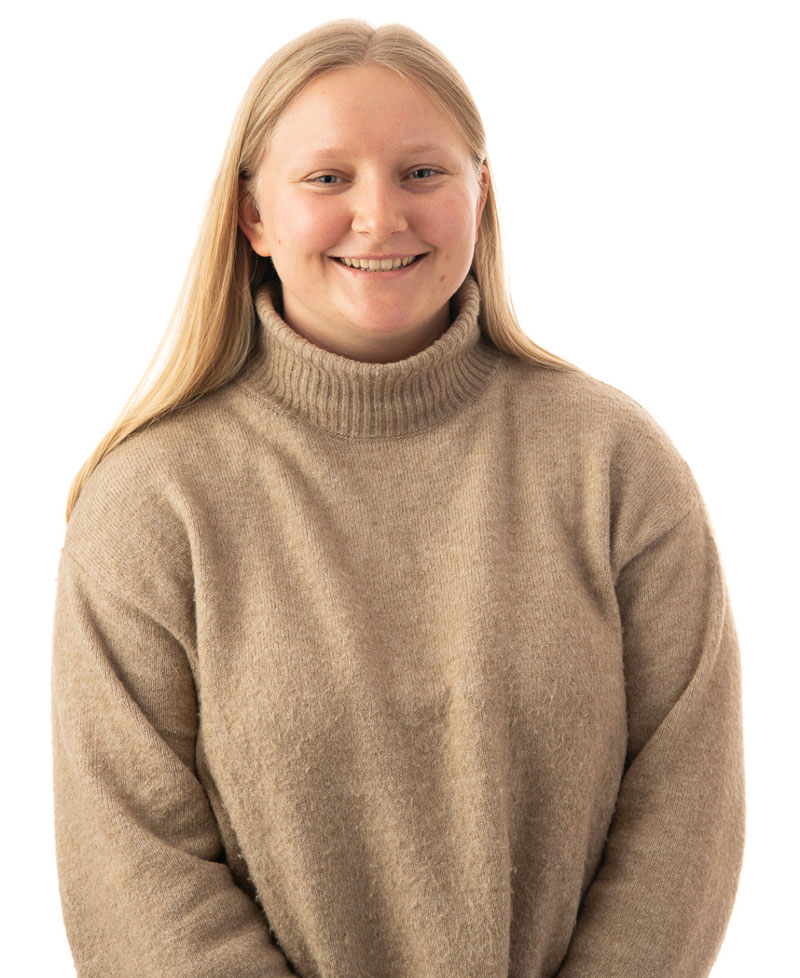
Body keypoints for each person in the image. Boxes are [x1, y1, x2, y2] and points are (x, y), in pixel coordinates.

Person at [51, 18, 745, 978]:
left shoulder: (614, 465)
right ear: (253, 217)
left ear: (480, 194)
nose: (379, 218)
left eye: (422, 173)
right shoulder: (153, 502)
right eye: (327, 178)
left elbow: (688, 810)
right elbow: (133, 870)